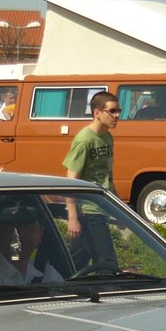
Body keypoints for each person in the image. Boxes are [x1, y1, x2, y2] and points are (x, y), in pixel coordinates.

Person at [0, 205, 64, 291]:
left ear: (40, 234)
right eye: (11, 227)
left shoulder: (48, 274)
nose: (20, 234)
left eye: (28, 226)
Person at [62, 90, 118, 240]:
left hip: (102, 207)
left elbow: (107, 177)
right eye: (112, 111)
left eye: (118, 111)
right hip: (87, 210)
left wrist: (119, 210)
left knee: (78, 260)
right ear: (97, 113)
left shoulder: (107, 137)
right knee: (107, 261)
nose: (117, 115)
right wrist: (73, 217)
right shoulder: (85, 139)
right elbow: (71, 181)